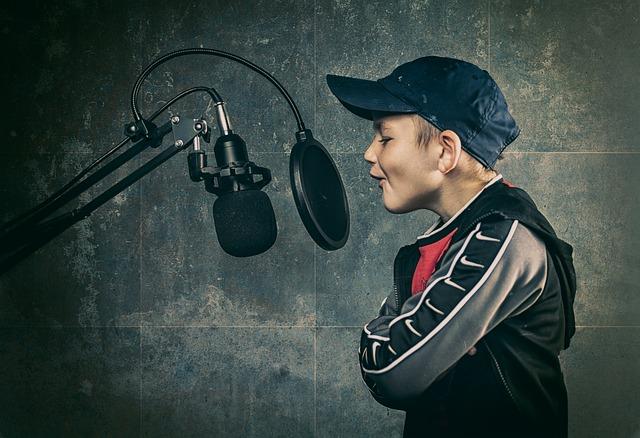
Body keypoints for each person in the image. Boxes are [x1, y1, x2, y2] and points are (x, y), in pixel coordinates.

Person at [326, 56, 577, 438]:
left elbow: (390, 371)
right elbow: (402, 353)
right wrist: (427, 341)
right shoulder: (451, 238)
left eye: (385, 137)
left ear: (445, 151)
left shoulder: (503, 237)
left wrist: (407, 338)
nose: (369, 153)